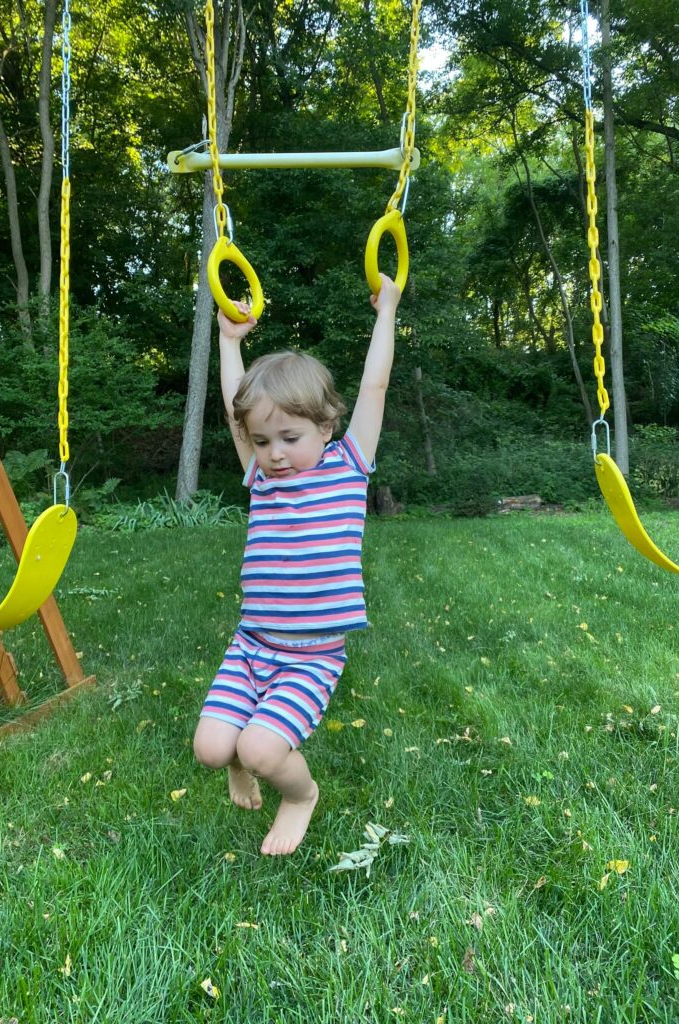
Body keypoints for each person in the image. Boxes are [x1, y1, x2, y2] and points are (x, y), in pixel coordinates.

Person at [193, 274, 401, 856]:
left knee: (264, 751)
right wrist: (229, 341)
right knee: (211, 748)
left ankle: (300, 795)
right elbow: (241, 416)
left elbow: (376, 386)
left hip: (311, 658)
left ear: (326, 428)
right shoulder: (261, 477)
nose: (275, 453)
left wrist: (387, 311)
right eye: (263, 441)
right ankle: (235, 761)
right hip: (251, 645)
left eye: (290, 437)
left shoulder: (348, 465)